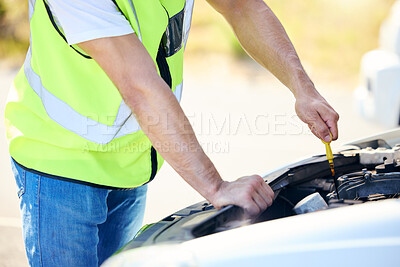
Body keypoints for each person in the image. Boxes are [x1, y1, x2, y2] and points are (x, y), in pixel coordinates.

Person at [5, 0, 339, 266]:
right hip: (59, 163)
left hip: (131, 162)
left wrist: (303, 89)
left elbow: (241, 6)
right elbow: (140, 86)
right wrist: (217, 187)